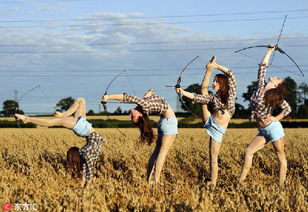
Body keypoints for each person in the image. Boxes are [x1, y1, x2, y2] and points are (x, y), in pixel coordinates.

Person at [15, 97, 106, 188]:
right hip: (85, 127)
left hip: (83, 128)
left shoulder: (86, 153)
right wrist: (85, 185)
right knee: (81, 100)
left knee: (55, 122)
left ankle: (28, 119)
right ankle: (62, 115)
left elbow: (87, 168)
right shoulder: (87, 153)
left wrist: (85, 185)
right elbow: (88, 168)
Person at [175, 56, 236, 187]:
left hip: (217, 129)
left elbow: (230, 73)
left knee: (213, 158)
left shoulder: (231, 94)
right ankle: (212, 183)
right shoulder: (212, 98)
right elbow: (196, 97)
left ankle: (212, 183)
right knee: (203, 94)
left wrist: (216, 66)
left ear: (222, 83)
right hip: (210, 119)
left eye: (216, 81)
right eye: (213, 81)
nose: (214, 84)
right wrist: (182, 92)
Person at [238, 45, 291, 187]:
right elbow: (262, 67)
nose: (275, 76)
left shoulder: (274, 96)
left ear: (276, 85)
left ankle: (281, 186)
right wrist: (270, 50)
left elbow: (287, 109)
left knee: (280, 157)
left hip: (273, 129)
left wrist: (275, 118)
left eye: (278, 78)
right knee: (248, 152)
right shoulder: (260, 86)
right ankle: (240, 182)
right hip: (262, 130)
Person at [101, 89, 177, 185]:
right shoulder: (145, 106)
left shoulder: (144, 105)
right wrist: (108, 97)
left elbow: (144, 99)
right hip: (169, 122)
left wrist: (149, 93)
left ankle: (149, 180)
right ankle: (156, 181)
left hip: (163, 122)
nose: (130, 115)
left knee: (156, 153)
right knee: (162, 153)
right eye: (133, 117)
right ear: (140, 115)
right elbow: (127, 97)